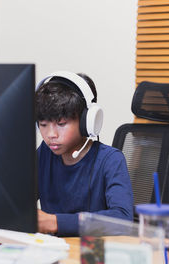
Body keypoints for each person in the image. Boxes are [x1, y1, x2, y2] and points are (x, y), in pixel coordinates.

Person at [35, 71, 133, 236]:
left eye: (61, 123)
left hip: (93, 252)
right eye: (43, 124)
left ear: (86, 122)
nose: (51, 134)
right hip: (53, 249)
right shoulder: (45, 153)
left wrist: (55, 223)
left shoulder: (110, 160)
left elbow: (122, 219)